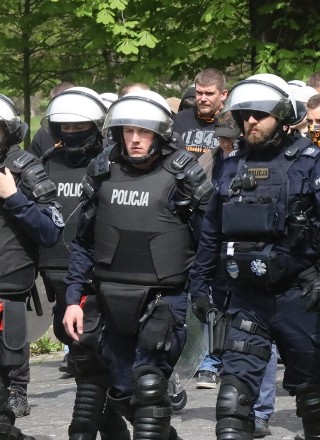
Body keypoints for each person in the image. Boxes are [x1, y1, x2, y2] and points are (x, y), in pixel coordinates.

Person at [189, 74, 320, 439]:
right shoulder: (231, 166)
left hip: (300, 296)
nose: (250, 121)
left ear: (281, 119)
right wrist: (200, 285)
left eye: (260, 115)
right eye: (245, 115)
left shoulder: (310, 162)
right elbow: (211, 232)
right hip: (247, 299)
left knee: (313, 397)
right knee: (232, 399)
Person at [62, 90, 212, 439]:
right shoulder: (102, 172)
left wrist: (203, 292)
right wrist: (73, 298)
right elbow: (84, 241)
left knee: (148, 385)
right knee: (123, 390)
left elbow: (208, 241)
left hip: (164, 300)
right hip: (110, 298)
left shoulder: (183, 176)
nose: (134, 138)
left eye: (143, 132)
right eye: (127, 130)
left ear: (159, 134)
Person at [37, 88, 132, 440]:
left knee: (94, 355)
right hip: (55, 271)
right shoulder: (45, 161)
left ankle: (94, 425)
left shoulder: (110, 165)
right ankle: (113, 425)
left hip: (98, 273)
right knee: (79, 351)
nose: (72, 132)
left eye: (80, 125)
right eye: (65, 126)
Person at [0, 94, 63, 440]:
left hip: (8, 288)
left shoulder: (25, 167)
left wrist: (14, 197)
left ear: (7, 132)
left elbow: (51, 230)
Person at [173, 68, 229, 157]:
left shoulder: (233, 122)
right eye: (199, 93)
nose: (203, 99)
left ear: (223, 95)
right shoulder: (180, 119)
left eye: (209, 93)